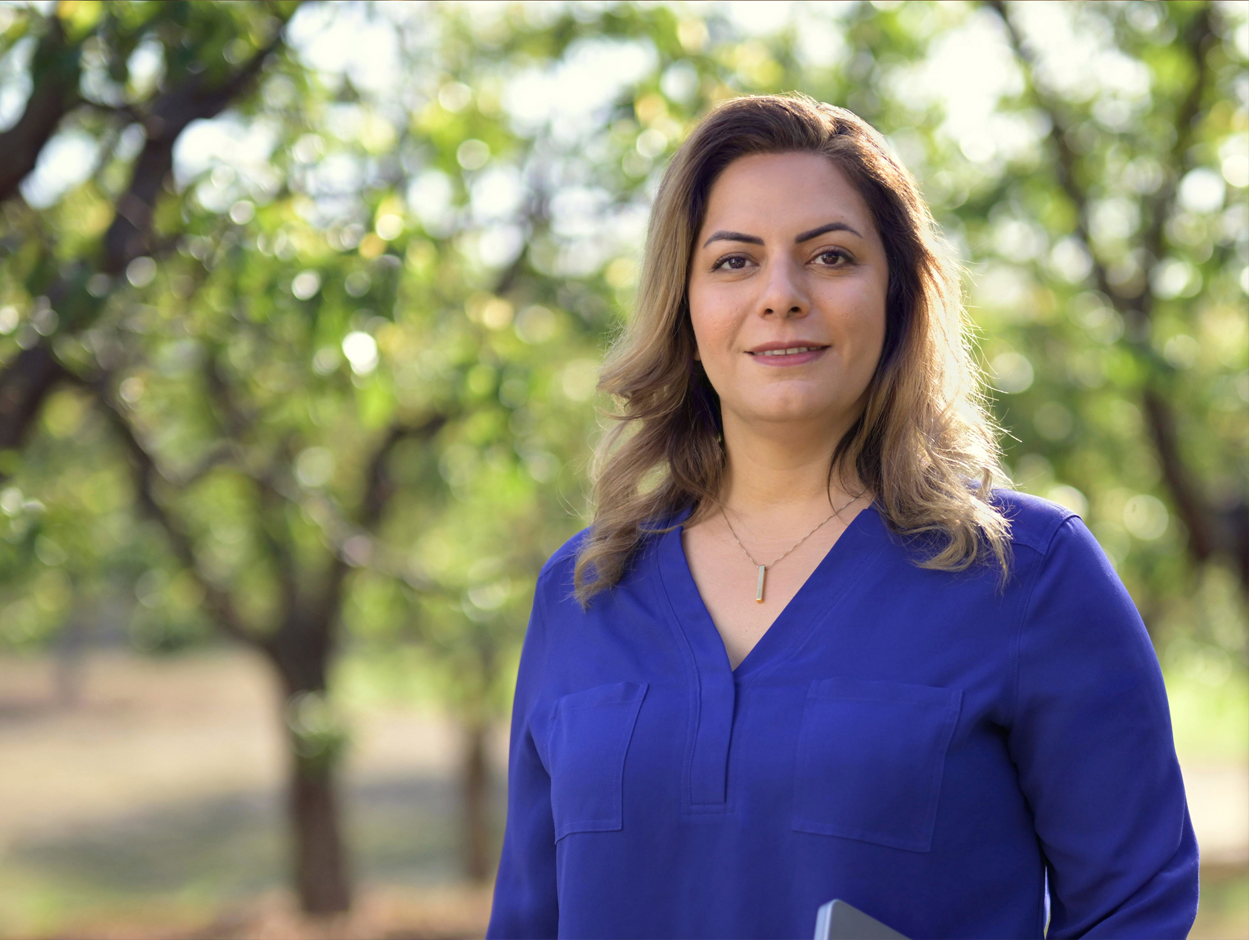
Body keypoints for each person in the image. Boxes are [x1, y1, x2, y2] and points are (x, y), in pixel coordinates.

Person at [485, 94, 1198, 940]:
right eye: (734, 262)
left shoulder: (1029, 573)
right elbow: (527, 921)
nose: (781, 295)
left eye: (830, 257)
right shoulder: (582, 594)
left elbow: (1134, 913)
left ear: (897, 291)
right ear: (684, 305)